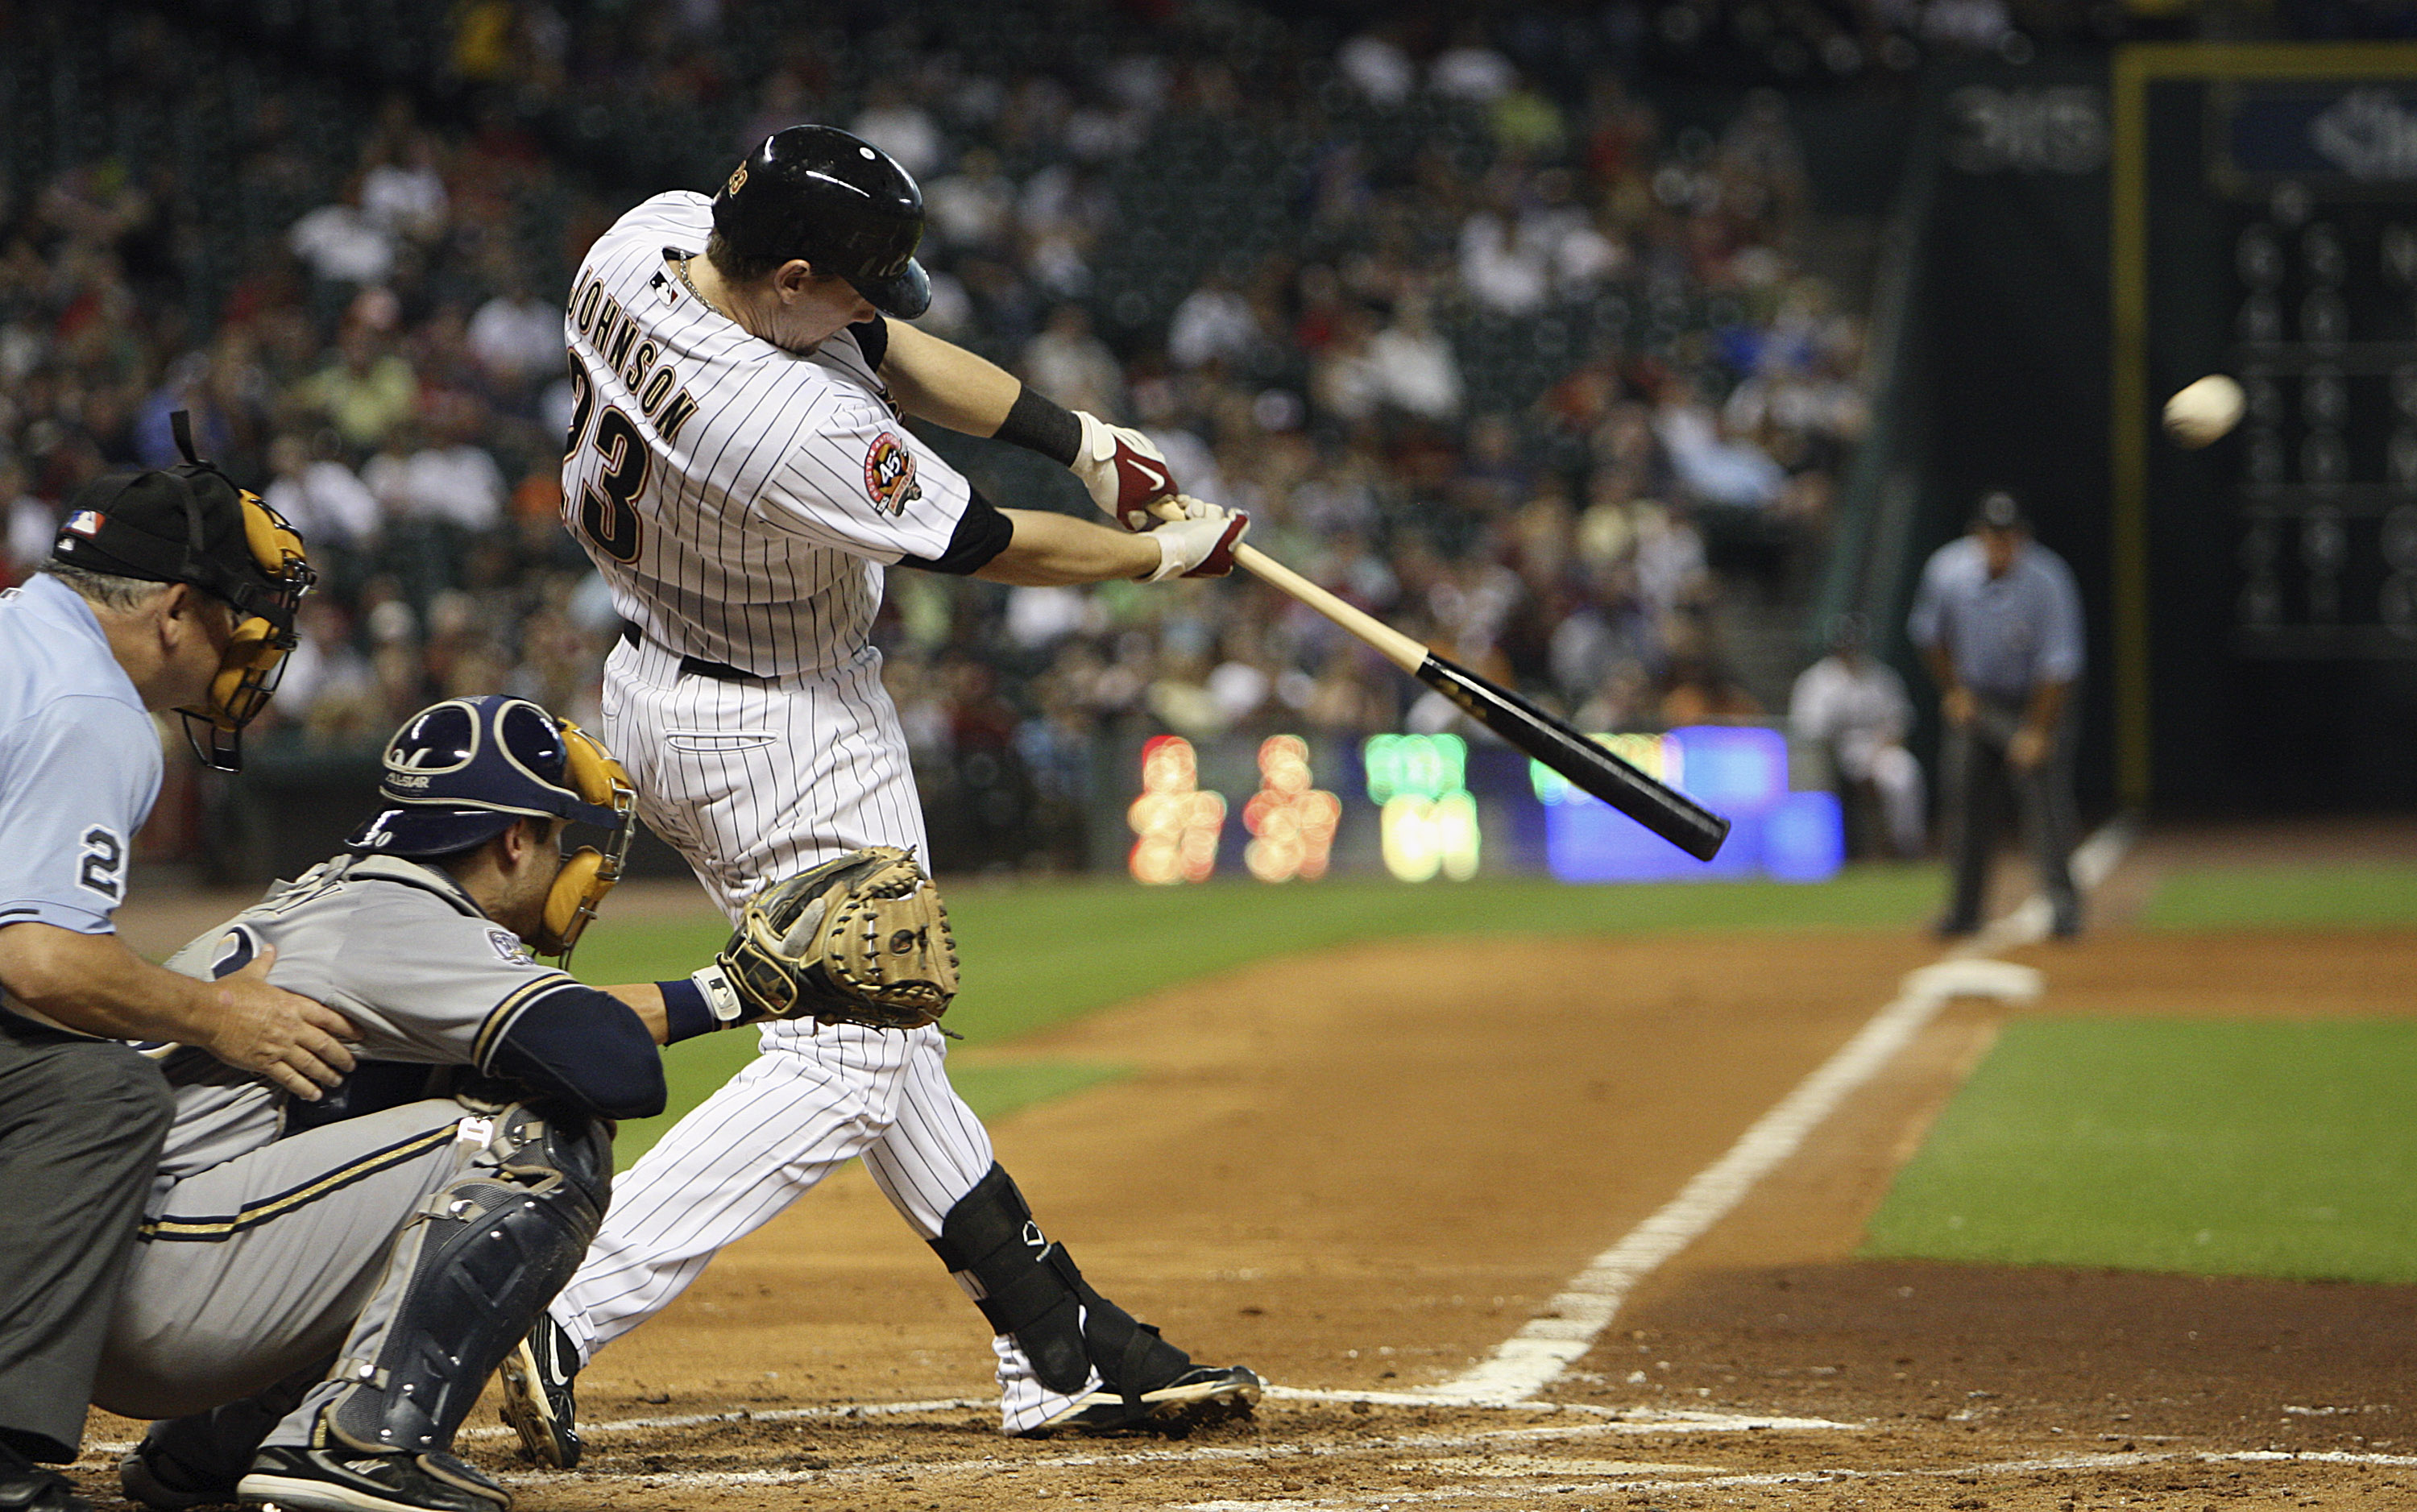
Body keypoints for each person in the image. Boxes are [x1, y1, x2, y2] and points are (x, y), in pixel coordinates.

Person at [502, 123, 1258, 1460]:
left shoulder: (643, 244)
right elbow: (983, 541)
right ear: (789, 277)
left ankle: (1055, 1340)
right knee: (849, 1055)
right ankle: (545, 1295)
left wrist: (1077, 435)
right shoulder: (780, 417)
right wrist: (1160, 561)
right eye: (851, 282)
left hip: (666, 690)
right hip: (785, 726)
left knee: (884, 1023)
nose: (873, 305)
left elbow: (890, 350)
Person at [106, 696, 744, 1512]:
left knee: (451, 1103)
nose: (566, 864)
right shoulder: (408, 916)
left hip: (113, 1282)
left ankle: (213, 1444)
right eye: (554, 837)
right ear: (514, 839)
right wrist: (738, 988)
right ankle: (361, 1445)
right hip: (165, 1290)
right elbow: (615, 1067)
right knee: (542, 1132)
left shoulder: (343, 893)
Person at [0, 437, 350, 1512]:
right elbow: (40, 959)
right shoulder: (92, 704)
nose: (257, 642)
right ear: (176, 611)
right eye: (246, 614)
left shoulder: (20, 634)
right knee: (93, 1089)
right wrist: (215, 1016)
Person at [1907, 489, 2085, 937]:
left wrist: (2037, 731)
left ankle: (2064, 912)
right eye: (1993, 535)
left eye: (2010, 535)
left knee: (2045, 807)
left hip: (2036, 700)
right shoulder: (1948, 570)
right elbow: (1928, 635)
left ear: (2023, 537)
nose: (2001, 543)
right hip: (1978, 701)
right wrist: (1954, 690)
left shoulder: (2049, 578)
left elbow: (2060, 664)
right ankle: (1964, 913)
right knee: (1965, 807)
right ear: (1978, 536)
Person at [1789, 614, 1924, 860]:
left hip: (1877, 750)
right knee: (1816, 778)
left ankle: (1905, 846)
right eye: (1845, 644)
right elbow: (1809, 732)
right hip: (1833, 754)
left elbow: (1898, 723)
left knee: (1905, 773)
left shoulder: (1881, 677)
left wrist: (1879, 753)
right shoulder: (1816, 681)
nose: (1849, 650)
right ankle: (1827, 853)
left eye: (1854, 644)